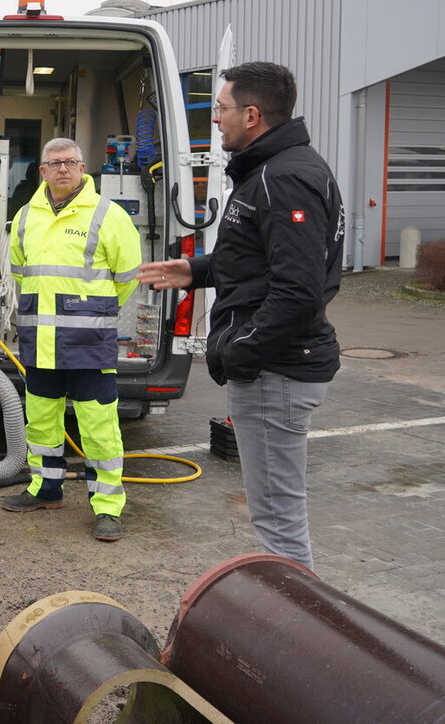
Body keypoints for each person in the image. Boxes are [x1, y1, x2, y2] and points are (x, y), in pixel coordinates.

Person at [139, 62, 343, 570]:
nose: (216, 121)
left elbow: (298, 292)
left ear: (252, 115)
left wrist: (238, 352)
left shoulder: (285, 178)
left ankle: (298, 629)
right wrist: (197, 270)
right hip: (275, 366)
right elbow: (262, 262)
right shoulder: (272, 172)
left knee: (279, 522)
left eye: (221, 110)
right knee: (276, 516)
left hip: (277, 372)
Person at [1, 138, 142, 541]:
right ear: (41, 171)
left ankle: (107, 507)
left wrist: (91, 314)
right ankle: (45, 489)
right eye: (54, 163)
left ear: (83, 168)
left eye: (71, 162)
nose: (63, 169)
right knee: (42, 423)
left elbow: (127, 279)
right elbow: (21, 274)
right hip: (39, 342)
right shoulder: (26, 216)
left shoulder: (108, 215)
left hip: (88, 342)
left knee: (99, 428)